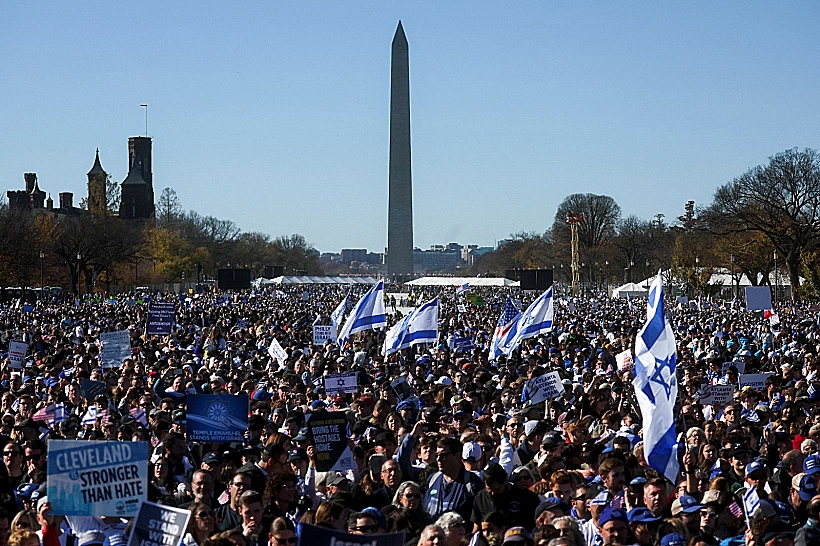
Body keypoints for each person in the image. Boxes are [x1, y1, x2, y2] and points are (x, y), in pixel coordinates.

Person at [423, 438, 484, 521]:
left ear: (457, 455)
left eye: (443, 455)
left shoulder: (472, 483)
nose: (438, 459)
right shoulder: (433, 479)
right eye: (437, 455)